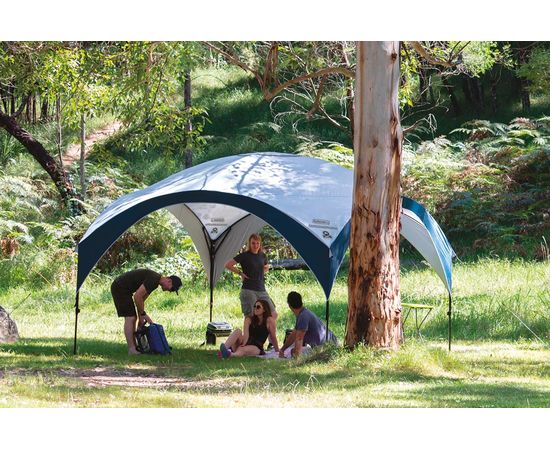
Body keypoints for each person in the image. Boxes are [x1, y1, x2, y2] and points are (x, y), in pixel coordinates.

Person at [110, 268, 182, 355]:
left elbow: (141, 300)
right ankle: (132, 349)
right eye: (172, 289)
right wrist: (143, 314)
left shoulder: (155, 282)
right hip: (120, 288)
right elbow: (137, 297)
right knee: (130, 318)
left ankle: (135, 347)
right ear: (169, 280)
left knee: (133, 318)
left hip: (125, 289)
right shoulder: (153, 279)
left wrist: (141, 318)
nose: (169, 291)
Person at [225, 234, 277, 320]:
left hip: (261, 289)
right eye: (253, 243)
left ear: (260, 244)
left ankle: (265, 333)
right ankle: (247, 334)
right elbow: (228, 265)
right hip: (248, 290)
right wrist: (240, 273)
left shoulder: (263, 256)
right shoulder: (244, 255)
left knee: (273, 314)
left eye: (257, 243)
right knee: (251, 317)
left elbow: (264, 269)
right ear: (249, 243)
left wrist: (266, 269)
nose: (255, 246)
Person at [279, 291, 337, 358]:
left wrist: (296, 358)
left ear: (289, 305)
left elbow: (299, 339)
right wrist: (282, 349)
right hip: (331, 343)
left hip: (327, 347)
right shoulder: (304, 313)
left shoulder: (303, 316)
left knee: (293, 352)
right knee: (293, 350)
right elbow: (294, 335)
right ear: (301, 302)